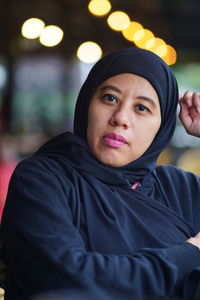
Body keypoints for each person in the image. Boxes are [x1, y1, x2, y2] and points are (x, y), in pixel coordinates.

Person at [0, 47, 200, 300]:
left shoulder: (180, 189)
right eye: (110, 98)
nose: (120, 118)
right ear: (86, 103)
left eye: (141, 108)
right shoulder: (42, 179)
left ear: (163, 127)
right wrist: (187, 254)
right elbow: (64, 279)